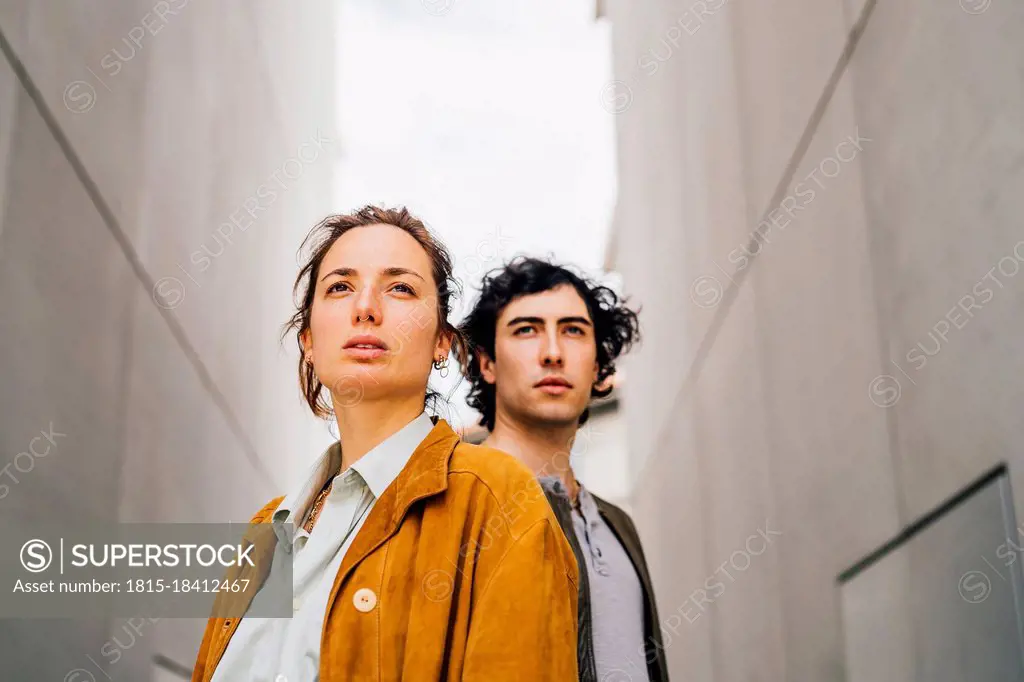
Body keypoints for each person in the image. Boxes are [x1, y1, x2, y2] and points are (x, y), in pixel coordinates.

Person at [191, 207, 579, 682]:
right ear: (308, 341)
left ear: (442, 342)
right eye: (339, 286)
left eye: (400, 287)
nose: (367, 307)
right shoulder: (262, 533)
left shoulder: (499, 500)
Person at [458, 256, 669, 682]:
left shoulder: (618, 524)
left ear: (597, 366)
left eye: (573, 331)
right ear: (487, 363)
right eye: (526, 330)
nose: (553, 353)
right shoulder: (456, 500)